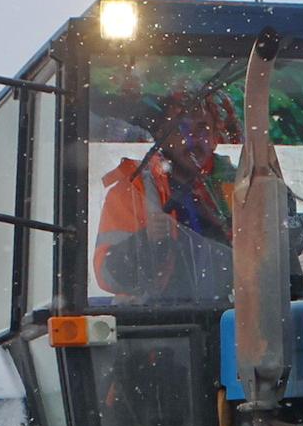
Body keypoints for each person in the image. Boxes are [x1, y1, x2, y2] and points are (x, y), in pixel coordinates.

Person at [95, 90, 240, 302]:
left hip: (237, 316)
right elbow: (108, 276)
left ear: (215, 137)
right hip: (159, 323)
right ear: (162, 135)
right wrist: (146, 242)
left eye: (202, 128)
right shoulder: (132, 191)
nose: (193, 139)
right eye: (181, 128)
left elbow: (273, 253)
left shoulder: (243, 185)